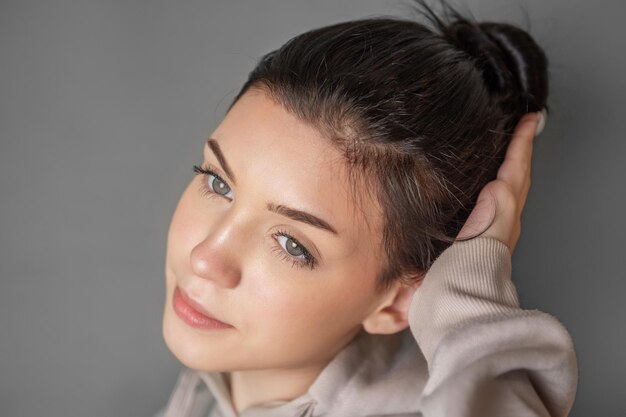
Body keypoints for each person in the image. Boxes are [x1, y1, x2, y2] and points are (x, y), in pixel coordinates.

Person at [153, 1, 578, 416]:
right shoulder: (208, 389)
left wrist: (469, 297)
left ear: (396, 302)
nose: (206, 258)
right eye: (218, 183)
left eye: (291, 244)